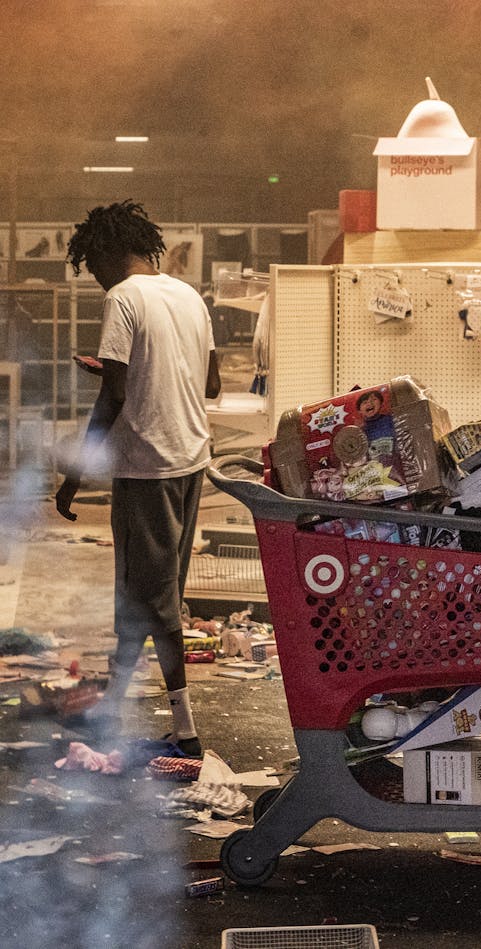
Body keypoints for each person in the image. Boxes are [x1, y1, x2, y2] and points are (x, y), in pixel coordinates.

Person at [57, 200, 221, 756]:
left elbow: (117, 394)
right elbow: (212, 382)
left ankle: (187, 732)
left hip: (147, 466)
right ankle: (112, 710)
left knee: (156, 602)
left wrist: (76, 472)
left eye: (93, 265)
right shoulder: (188, 295)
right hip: (191, 458)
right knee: (139, 595)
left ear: (105, 251)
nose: (96, 276)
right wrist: (130, 368)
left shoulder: (123, 296)